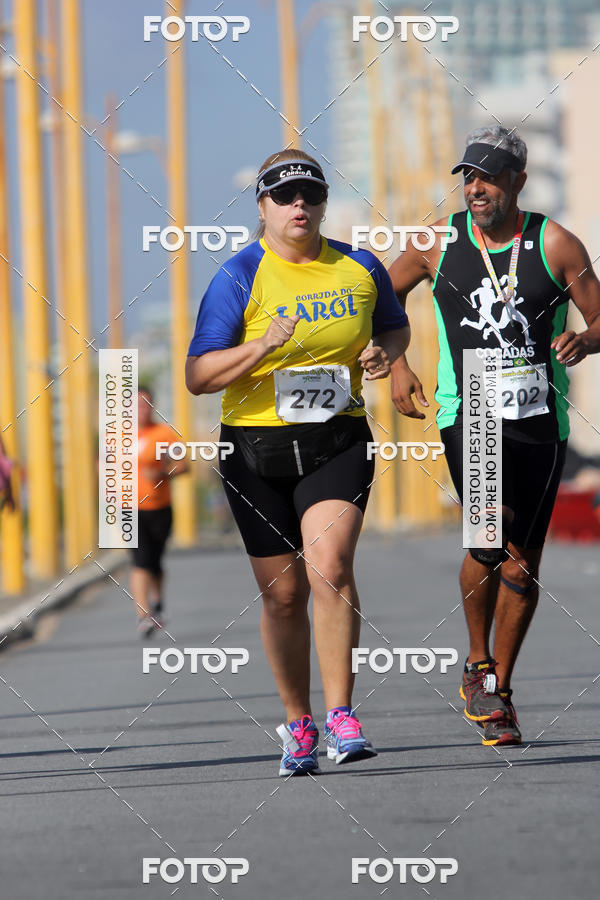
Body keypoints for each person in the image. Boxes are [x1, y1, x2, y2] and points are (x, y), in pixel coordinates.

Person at [186, 149, 410, 775]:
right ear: (262, 208)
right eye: (284, 197)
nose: (299, 207)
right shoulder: (239, 277)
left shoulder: (360, 267)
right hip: (254, 450)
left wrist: (382, 355)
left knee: (330, 566)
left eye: (310, 195)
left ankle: (342, 715)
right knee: (283, 595)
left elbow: (395, 327)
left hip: (335, 441)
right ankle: (299, 722)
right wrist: (260, 344)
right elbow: (198, 376)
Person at [388, 125, 600, 746]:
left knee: (525, 564)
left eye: (487, 176)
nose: (474, 188)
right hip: (470, 409)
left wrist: (586, 338)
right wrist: (398, 363)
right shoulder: (436, 242)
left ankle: (498, 693)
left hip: (541, 419)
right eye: (467, 176)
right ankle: (477, 662)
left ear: (518, 181)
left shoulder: (554, 243)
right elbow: (381, 300)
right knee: (489, 533)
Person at [132, 386, 188, 638]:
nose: (141, 410)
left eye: (145, 405)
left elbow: (184, 466)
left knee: (154, 561)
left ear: (153, 407)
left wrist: (163, 474)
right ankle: (143, 616)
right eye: (136, 406)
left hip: (160, 507)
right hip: (130, 508)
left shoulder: (164, 434)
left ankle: (158, 604)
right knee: (140, 561)